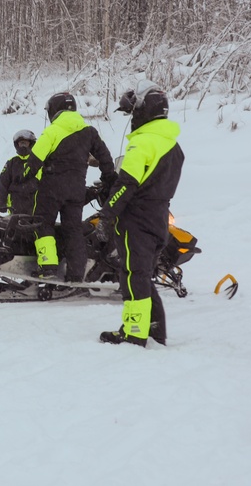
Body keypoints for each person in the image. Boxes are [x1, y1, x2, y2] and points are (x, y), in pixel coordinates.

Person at [94, 81, 183, 347]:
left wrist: (108, 215)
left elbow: (127, 184)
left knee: (133, 276)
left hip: (137, 219)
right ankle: (155, 329)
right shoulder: (172, 145)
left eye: (133, 112)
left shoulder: (142, 143)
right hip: (159, 217)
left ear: (145, 110)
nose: (132, 118)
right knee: (142, 275)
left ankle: (134, 333)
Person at [25, 92, 118, 282]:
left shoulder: (52, 131)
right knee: (73, 229)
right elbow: (105, 157)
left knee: (43, 223)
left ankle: (48, 266)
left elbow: (33, 161)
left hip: (51, 187)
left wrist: (25, 178)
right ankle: (76, 274)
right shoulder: (89, 131)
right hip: (76, 189)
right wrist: (108, 178)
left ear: (54, 110)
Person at [0, 129, 38, 215]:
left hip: (34, 203)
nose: (23, 146)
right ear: (17, 145)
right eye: (21, 143)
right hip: (15, 203)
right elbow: (3, 183)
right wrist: (1, 203)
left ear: (31, 144)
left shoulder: (37, 161)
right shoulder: (11, 163)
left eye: (25, 143)